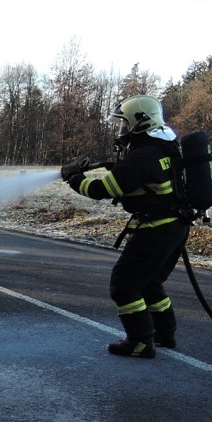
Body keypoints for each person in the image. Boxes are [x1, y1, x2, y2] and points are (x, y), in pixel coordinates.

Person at [60, 95, 191, 359]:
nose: (123, 130)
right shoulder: (167, 147)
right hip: (175, 225)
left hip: (155, 229)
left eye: (125, 123)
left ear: (140, 121)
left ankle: (140, 342)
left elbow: (101, 190)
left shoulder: (142, 156)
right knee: (150, 282)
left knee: (124, 284)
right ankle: (166, 334)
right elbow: (138, 178)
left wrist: (75, 179)